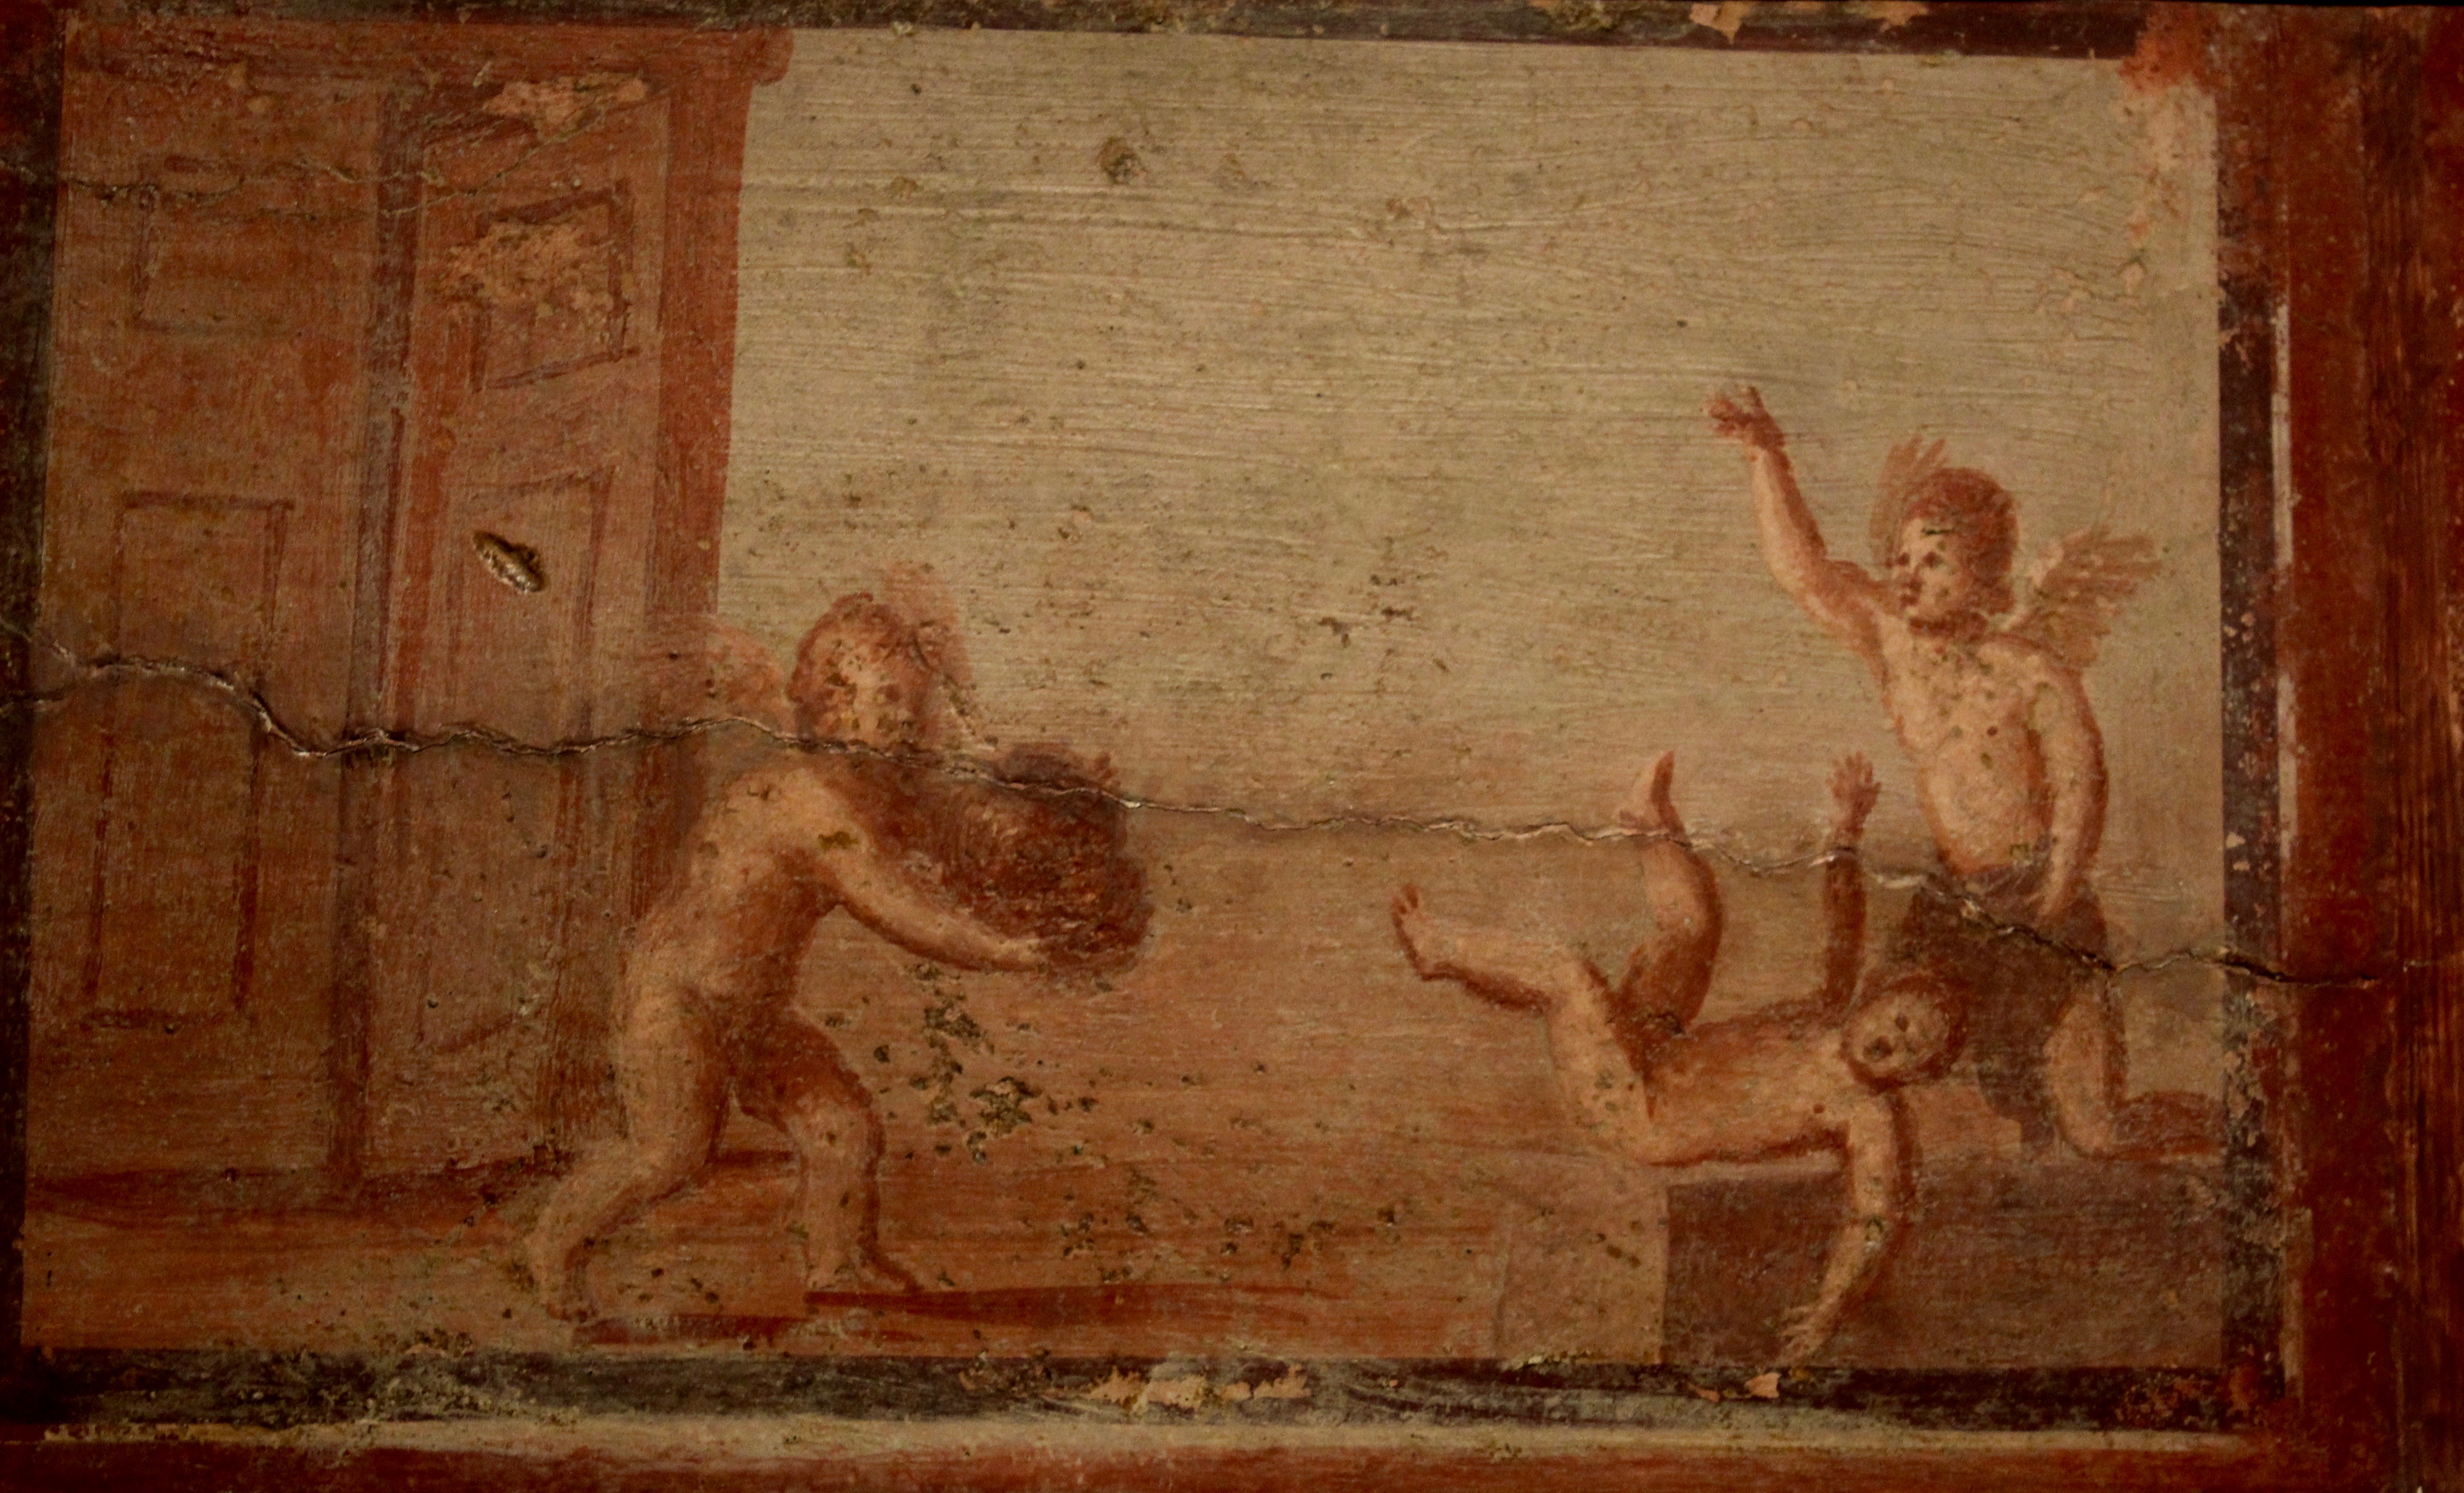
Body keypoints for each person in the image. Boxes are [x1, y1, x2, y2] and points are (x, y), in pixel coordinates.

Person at [525, 595, 1146, 1319]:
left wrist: (1049, 790)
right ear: (834, 705)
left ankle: (839, 1265)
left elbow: (945, 807)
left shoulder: (860, 785)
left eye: (912, 704)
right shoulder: (809, 801)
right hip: (679, 1006)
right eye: (887, 702)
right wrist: (1008, 949)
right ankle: (553, 1245)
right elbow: (901, 909)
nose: (906, 720)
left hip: (755, 1014)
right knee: (666, 1157)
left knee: (841, 1128)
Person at [1706, 385, 2213, 1160]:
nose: (1907, 577)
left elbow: (2079, 780)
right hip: (1952, 907)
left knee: (2099, 1130)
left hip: (2043, 904)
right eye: (1902, 561)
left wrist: (2061, 883)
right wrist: (1764, 455)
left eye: (1934, 561)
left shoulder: (2028, 671)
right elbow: (1806, 574)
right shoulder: (1897, 651)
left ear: (1985, 582)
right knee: (1867, 1054)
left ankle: (2237, 1129)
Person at [1393, 752, 1957, 1363]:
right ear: (1876, 998)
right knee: (1694, 927)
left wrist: (1829, 1307)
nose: (1895, 1039)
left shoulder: (1864, 1113)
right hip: (1653, 1047)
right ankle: (1648, 821)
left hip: (1632, 1108)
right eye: (1900, 1019)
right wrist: (1846, 829)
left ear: (1914, 1075)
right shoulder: (1831, 1008)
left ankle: (1437, 949)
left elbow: (1873, 1217)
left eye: (1913, 1051)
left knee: (1568, 977)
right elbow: (1842, 919)